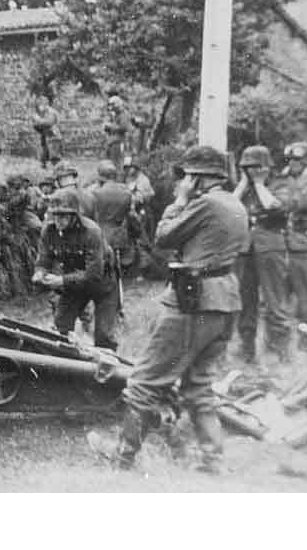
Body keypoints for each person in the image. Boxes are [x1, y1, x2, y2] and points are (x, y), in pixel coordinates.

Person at [87, 146, 249, 473]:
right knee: (198, 386)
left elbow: (163, 236)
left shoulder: (205, 204)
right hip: (226, 301)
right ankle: (212, 460)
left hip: (194, 304)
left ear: (199, 178)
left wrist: (179, 201)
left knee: (145, 380)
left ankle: (122, 457)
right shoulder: (235, 204)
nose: (183, 182)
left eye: (187, 176)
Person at [31, 187, 120, 351]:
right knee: (60, 327)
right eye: (55, 215)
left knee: (104, 336)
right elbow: (44, 258)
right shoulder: (48, 231)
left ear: (74, 215)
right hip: (74, 283)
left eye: (63, 215)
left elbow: (94, 274)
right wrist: (40, 273)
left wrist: (61, 280)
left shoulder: (91, 231)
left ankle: (108, 371)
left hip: (103, 283)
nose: (58, 220)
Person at [233, 145, 291, 363]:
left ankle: (278, 352)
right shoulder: (243, 190)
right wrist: (243, 184)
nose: (251, 171)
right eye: (246, 167)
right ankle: (246, 349)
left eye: (255, 167)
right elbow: (228, 207)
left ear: (266, 167)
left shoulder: (281, 184)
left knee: (274, 301)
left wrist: (258, 184)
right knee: (246, 301)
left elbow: (274, 205)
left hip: (270, 247)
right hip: (246, 250)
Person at [91, 160, 136, 273]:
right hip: (121, 234)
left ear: (101, 177)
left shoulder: (96, 193)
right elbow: (131, 215)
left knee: (104, 268)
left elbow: (93, 215)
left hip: (102, 234)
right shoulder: (127, 192)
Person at [284, 141, 307, 353]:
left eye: (298, 159)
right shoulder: (287, 178)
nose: (294, 163)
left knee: (303, 297)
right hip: (288, 243)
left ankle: (304, 340)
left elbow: (298, 204)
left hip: (302, 245)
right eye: (291, 159)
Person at [104, 95, 130, 175]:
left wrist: (111, 126)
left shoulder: (123, 114)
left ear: (118, 104)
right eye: (110, 105)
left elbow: (124, 127)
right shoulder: (116, 115)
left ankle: (119, 181)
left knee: (118, 164)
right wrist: (108, 127)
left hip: (119, 143)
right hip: (113, 142)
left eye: (113, 104)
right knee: (112, 163)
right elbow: (115, 127)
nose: (111, 107)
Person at [32, 98, 62, 169]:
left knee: (54, 157)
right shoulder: (43, 113)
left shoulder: (51, 112)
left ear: (45, 104)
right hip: (46, 137)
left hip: (53, 137)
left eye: (40, 105)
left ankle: (58, 172)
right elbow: (37, 126)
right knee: (43, 158)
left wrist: (38, 119)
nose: (39, 107)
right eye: (38, 105)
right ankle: (45, 173)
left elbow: (49, 122)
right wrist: (37, 124)